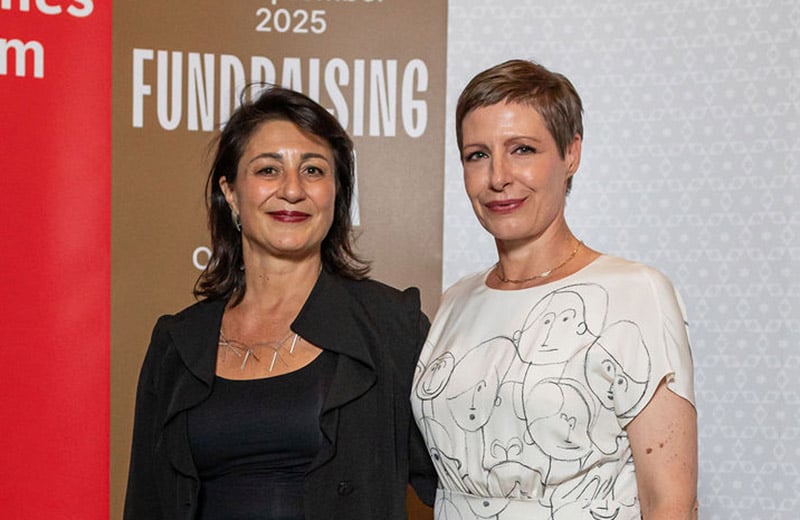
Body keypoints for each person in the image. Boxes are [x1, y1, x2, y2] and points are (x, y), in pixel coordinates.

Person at [124, 86, 436, 519]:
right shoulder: (177, 343)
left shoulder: (390, 326)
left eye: (313, 170)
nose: (292, 190)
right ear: (231, 192)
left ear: (336, 193)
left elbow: (460, 485)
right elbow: (147, 504)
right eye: (268, 170)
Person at [411, 59, 697, 520]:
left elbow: (670, 503)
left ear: (571, 154)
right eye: (477, 155)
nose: (498, 177)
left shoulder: (634, 293)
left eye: (522, 149)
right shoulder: (456, 300)